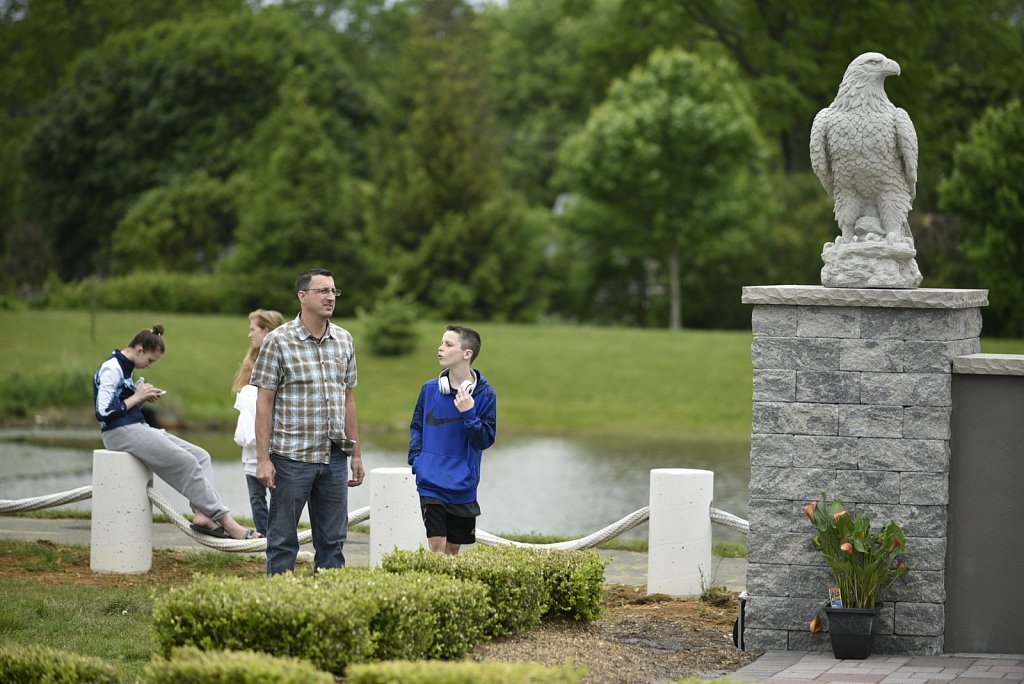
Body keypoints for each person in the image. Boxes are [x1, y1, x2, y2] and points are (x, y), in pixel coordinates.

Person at [93, 323, 260, 540]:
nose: (150, 365)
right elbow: (103, 412)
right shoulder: (112, 367)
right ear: (139, 350)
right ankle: (228, 522)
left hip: (133, 427)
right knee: (188, 463)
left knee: (201, 457)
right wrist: (136, 396)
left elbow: (122, 405)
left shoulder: (127, 366)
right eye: (150, 360)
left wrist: (141, 397)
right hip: (119, 433)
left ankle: (202, 514)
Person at [251, 268, 365, 575]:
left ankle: (327, 609)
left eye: (333, 292)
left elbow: (348, 398)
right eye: (323, 291)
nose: (331, 297)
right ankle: (280, 608)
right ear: (303, 296)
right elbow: (264, 402)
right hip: (291, 458)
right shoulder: (277, 341)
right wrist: (263, 459)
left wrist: (355, 453)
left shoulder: (344, 339)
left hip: (334, 457)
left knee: (333, 542)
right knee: (282, 541)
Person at [408, 325, 497, 554]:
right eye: (441, 343)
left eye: (448, 344)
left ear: (467, 354)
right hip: (431, 481)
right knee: (436, 545)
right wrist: (418, 460)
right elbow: (417, 427)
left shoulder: (486, 395)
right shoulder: (429, 389)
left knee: (453, 548)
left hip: (463, 483)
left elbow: (484, 440)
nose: (440, 348)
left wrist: (469, 413)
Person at [231, 309, 285, 537]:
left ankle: (278, 538)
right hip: (251, 441)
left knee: (278, 493)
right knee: (256, 495)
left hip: (274, 441)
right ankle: (263, 538)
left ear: (267, 331)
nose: (249, 334)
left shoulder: (282, 359)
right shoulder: (251, 361)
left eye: (253, 329)